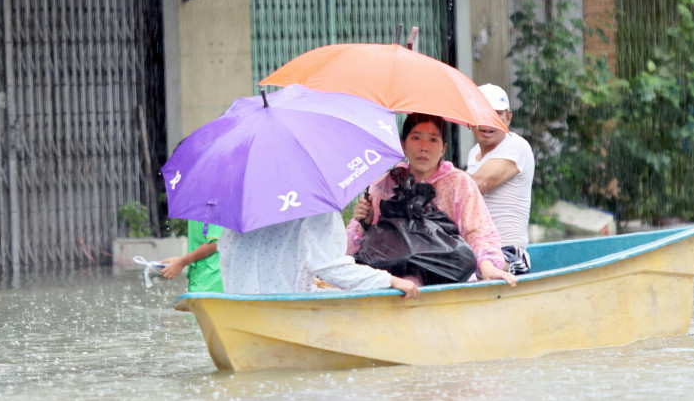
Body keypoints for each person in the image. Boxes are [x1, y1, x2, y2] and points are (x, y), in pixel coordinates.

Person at [346, 113, 517, 286]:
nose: (424, 147)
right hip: (393, 281)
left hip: (448, 278)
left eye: (433, 140)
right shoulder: (383, 185)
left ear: (443, 149)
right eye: (416, 137)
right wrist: (364, 225)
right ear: (403, 145)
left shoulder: (459, 184)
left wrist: (488, 267)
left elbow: (478, 233)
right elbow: (351, 250)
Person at [217, 212, 420, 299]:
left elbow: (226, 259)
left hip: (239, 303)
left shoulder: (240, 207)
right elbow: (334, 270)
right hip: (286, 309)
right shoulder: (315, 205)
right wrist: (390, 280)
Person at [466, 84, 535, 274]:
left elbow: (473, 186)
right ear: (470, 119)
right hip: (476, 251)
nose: (488, 123)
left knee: (466, 267)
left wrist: (429, 174)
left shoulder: (516, 146)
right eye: (482, 114)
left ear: (508, 117)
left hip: (508, 253)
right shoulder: (474, 154)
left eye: (497, 114)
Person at [160, 220, 225, 293]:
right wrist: (179, 261)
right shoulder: (195, 213)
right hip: (200, 279)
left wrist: (181, 262)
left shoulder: (215, 209)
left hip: (212, 281)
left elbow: (214, 245)